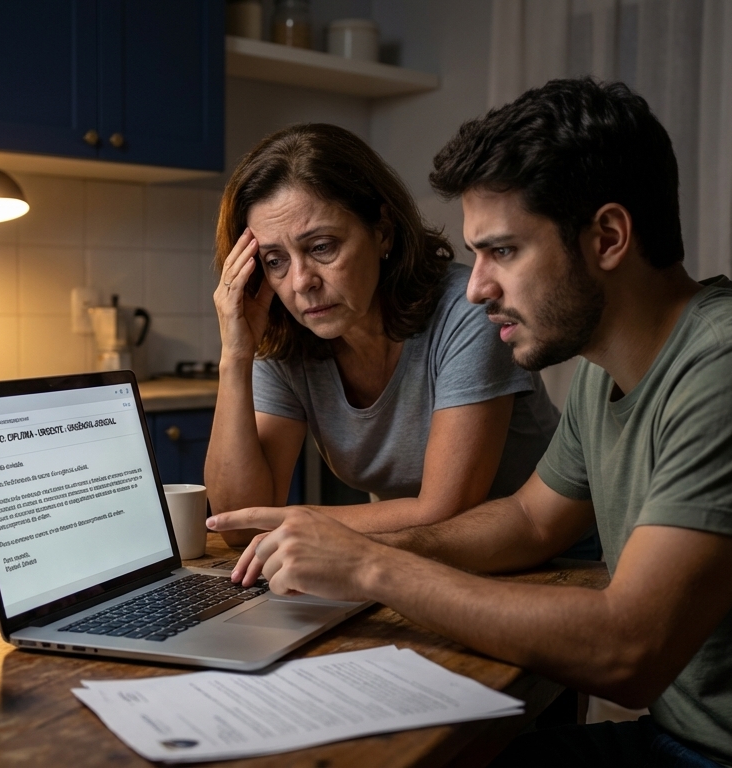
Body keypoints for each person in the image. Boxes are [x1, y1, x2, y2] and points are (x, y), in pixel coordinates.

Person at [207, 79, 732, 768]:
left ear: (609, 237)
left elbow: (631, 653)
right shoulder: (607, 369)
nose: (477, 287)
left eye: (502, 251)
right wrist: (350, 551)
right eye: (476, 255)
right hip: (690, 737)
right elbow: (528, 523)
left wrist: (372, 565)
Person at [205, 123, 579, 552]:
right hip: (407, 557)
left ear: (382, 231)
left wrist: (292, 523)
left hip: (547, 560)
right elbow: (237, 524)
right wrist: (235, 355)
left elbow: (444, 510)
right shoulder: (289, 334)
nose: (301, 282)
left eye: (322, 247)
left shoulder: (468, 309)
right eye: (275, 261)